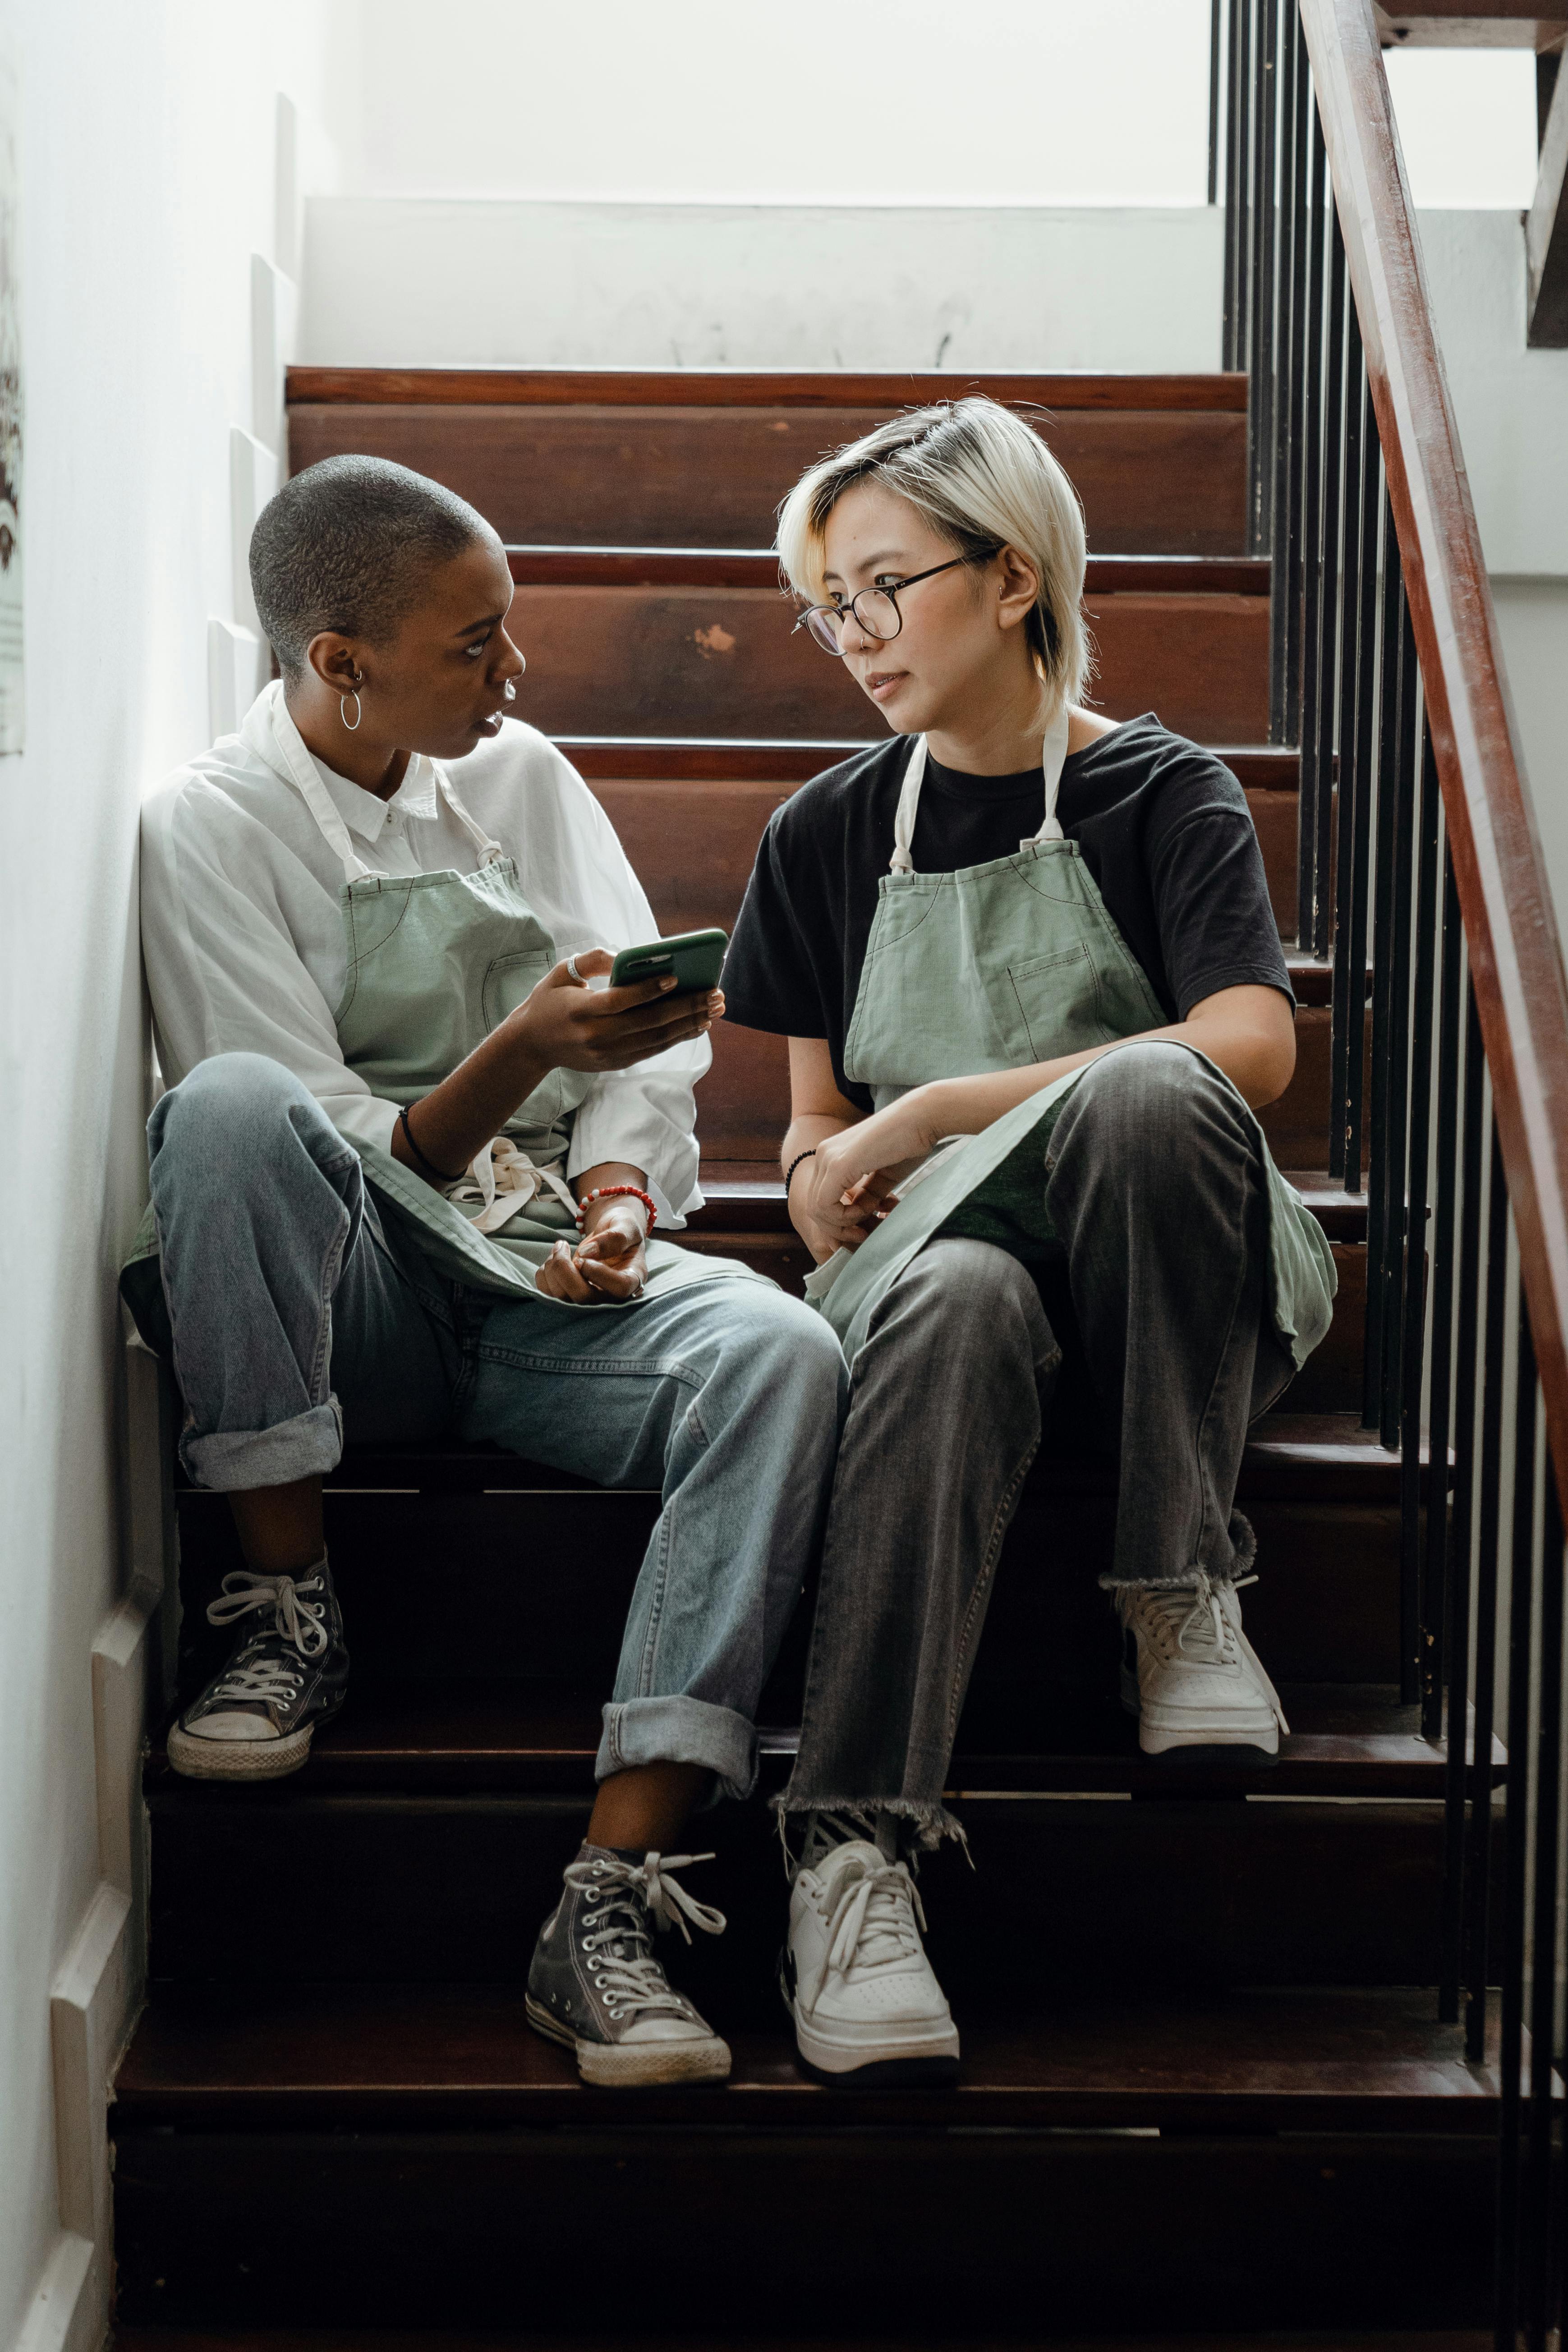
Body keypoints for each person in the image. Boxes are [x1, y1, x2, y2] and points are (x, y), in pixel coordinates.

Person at [124, 455, 849, 2091]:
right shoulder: (210, 829)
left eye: (508, 633)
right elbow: (320, 1145)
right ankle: (287, 1601)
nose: (514, 676)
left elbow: (640, 1058)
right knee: (225, 1112)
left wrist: (610, 1197)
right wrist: (523, 1042)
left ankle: (613, 1889)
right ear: (339, 660)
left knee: (783, 1352)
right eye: (475, 645)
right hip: (354, 1303)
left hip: (542, 1290)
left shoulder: (518, 777)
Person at [721, 397, 1337, 2084]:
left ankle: (1178, 1586)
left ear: (1011, 578)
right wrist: (818, 1174)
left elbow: (1250, 1048)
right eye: (826, 602)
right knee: (968, 1296)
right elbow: (805, 1121)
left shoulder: (1163, 789)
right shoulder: (827, 831)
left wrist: (930, 1113)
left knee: (1150, 1097)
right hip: (940, 1280)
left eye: (884, 587)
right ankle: (850, 1857)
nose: (852, 637)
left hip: (1167, 1269)